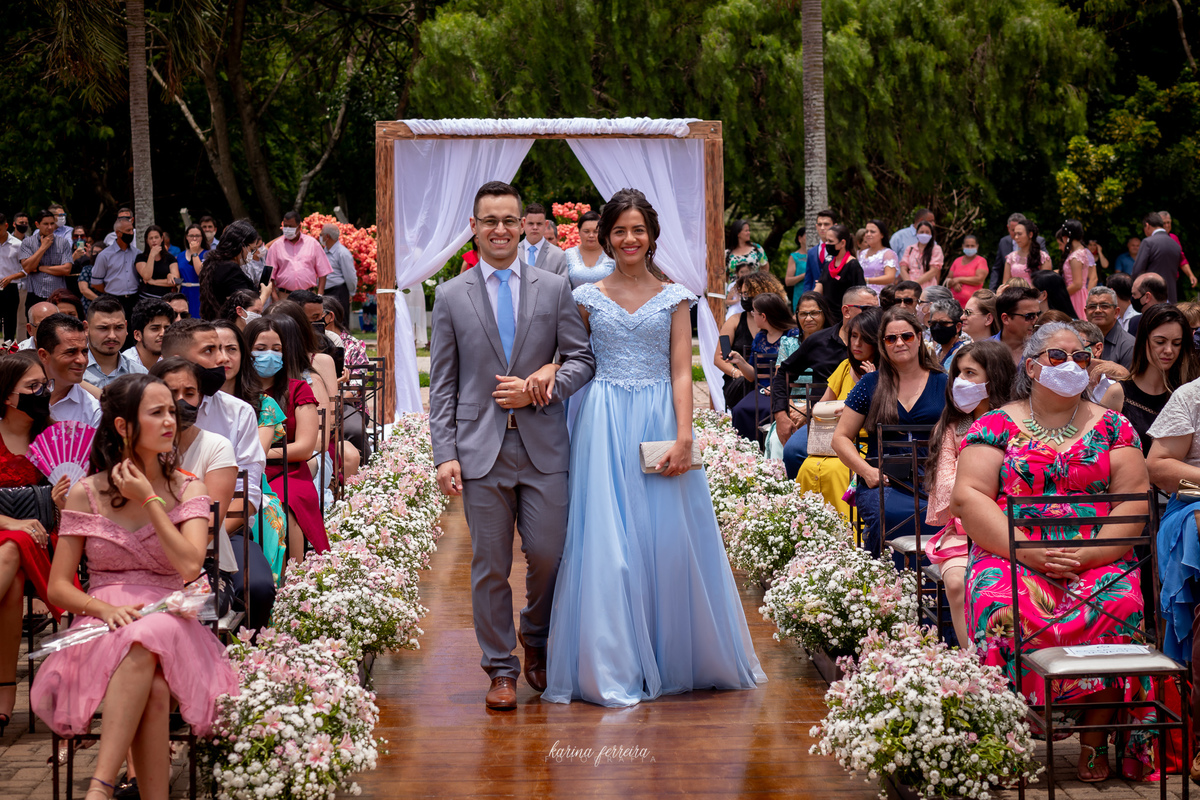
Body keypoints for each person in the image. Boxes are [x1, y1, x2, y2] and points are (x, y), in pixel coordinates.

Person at [542, 188, 764, 707]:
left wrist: (687, 435)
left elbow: (682, 369)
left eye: (637, 230)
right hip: (602, 419)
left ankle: (672, 656)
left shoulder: (675, 296)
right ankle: (611, 663)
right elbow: (574, 359)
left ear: (652, 236)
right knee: (606, 544)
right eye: (619, 230)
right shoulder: (585, 297)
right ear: (605, 237)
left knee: (666, 537)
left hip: (661, 416)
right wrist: (550, 369)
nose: (628, 239)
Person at [951, 321, 1151, 782]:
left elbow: (1132, 501)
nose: (1071, 366)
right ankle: (1010, 739)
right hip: (1012, 551)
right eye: (1058, 357)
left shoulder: (1114, 427)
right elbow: (970, 497)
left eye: (1080, 358)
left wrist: (1089, 555)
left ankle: (1095, 744)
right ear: (1032, 366)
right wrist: (1030, 553)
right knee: (1000, 605)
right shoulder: (995, 425)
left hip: (1097, 554)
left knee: (1119, 602)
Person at [428, 180, 595, 709]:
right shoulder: (452, 296)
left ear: (524, 225)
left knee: (548, 554)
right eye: (489, 221)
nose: (499, 229)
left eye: (508, 220)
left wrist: (543, 387)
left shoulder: (553, 287)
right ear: (474, 229)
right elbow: (443, 384)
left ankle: (537, 637)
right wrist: (444, 452)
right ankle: (500, 668)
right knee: (490, 564)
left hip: (545, 444)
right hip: (481, 451)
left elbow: (582, 360)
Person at [31, 374, 238, 800]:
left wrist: (150, 499)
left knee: (145, 637)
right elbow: (57, 588)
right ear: (124, 426)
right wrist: (102, 610)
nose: (170, 421)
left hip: (170, 612)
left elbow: (188, 566)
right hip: (101, 624)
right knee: (155, 687)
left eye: (172, 412)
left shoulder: (187, 487)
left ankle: (100, 787)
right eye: (157, 412)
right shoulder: (85, 493)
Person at [160, 319, 273, 629]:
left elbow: (249, 495)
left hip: (226, 533)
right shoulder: (138, 409)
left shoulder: (238, 412)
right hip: (150, 537)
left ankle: (245, 662)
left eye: (225, 349)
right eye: (210, 350)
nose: (222, 359)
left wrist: (205, 540)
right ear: (177, 358)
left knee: (259, 588)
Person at [833, 307, 947, 559]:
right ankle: (885, 586)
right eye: (890, 338)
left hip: (935, 479)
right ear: (883, 345)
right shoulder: (870, 384)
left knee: (943, 514)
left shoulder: (944, 383)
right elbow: (840, 438)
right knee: (888, 513)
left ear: (919, 337)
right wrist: (867, 472)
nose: (899, 343)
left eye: (906, 336)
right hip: (883, 481)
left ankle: (932, 587)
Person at [922, 340, 1014, 647]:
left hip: (1014, 526)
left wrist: (971, 473)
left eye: (971, 373)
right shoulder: (951, 428)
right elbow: (948, 489)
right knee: (958, 583)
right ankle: (972, 663)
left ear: (995, 376)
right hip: (964, 533)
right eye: (958, 373)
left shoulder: (1017, 424)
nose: (961, 381)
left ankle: (1007, 659)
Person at [0, 351, 70, 735]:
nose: (42, 392)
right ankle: (5, 696)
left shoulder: (53, 438)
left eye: (44, 385)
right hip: (7, 532)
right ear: (7, 396)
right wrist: (12, 521)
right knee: (10, 567)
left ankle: (4, 696)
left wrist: (60, 504)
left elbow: (73, 515)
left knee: (13, 548)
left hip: (45, 538)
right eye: (31, 387)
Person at [246, 314, 331, 566]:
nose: (269, 355)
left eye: (276, 349)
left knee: (288, 504)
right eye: (260, 349)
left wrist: (260, 454)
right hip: (244, 470)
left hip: (288, 469)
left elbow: (305, 447)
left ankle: (292, 577)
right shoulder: (237, 393)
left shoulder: (297, 389)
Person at [771, 285, 879, 477]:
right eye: (868, 309)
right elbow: (783, 374)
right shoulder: (818, 342)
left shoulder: (883, 342)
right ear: (846, 310)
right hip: (826, 420)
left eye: (878, 309)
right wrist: (781, 415)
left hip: (869, 422)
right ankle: (805, 503)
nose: (876, 315)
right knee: (793, 450)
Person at [210, 320, 289, 583]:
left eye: (231, 349)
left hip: (249, 487)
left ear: (243, 355)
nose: (223, 357)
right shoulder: (190, 401)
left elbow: (258, 455)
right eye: (214, 349)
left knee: (267, 515)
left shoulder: (260, 404)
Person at [150, 357, 238, 571]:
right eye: (171, 394)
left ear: (199, 397)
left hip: (206, 562)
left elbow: (208, 525)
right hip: (142, 562)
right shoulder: (141, 447)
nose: (180, 401)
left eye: (189, 394)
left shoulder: (217, 446)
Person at [795, 308, 881, 519]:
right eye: (853, 336)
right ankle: (812, 532)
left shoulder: (885, 374)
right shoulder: (844, 367)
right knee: (807, 468)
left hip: (865, 446)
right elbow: (820, 407)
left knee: (835, 472)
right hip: (833, 441)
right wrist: (843, 409)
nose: (857, 344)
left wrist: (870, 386)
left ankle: (846, 536)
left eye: (864, 338)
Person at [1120, 303, 1195, 454]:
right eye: (1160, 342)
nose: (1168, 350)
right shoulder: (1118, 394)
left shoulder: (1188, 393)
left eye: (1176, 344)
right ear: (1143, 340)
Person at [726, 293, 800, 441]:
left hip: (786, 391)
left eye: (754, 312)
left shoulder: (793, 335)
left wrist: (776, 387)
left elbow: (798, 370)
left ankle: (767, 450)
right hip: (762, 389)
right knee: (739, 409)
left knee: (768, 409)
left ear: (764, 316)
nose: (752, 315)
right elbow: (752, 375)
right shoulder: (760, 337)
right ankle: (746, 452)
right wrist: (739, 361)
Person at [714, 272, 786, 410]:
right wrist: (737, 373)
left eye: (749, 293)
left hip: (774, 379)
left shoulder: (782, 323)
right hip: (742, 379)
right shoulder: (734, 321)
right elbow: (718, 358)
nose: (745, 298)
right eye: (743, 294)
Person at [199, 220, 272, 320]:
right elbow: (245, 312)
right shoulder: (230, 270)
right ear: (242, 246)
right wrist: (265, 294)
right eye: (251, 250)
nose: (251, 254)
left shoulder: (213, 262)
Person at [37, 314, 101, 426]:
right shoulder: (16, 397)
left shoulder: (93, 411)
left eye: (84, 352)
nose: (82, 360)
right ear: (44, 355)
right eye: (71, 352)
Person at [264, 211, 331, 302]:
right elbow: (268, 276)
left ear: (299, 227)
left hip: (309, 296)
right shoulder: (276, 246)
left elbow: (323, 271)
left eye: (290, 226)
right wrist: (274, 296)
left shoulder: (312, 243)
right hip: (284, 297)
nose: (287, 229)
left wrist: (320, 295)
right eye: (285, 226)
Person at [84, 296, 148, 388]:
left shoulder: (140, 375)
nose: (112, 336)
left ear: (126, 327)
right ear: (86, 329)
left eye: (118, 328)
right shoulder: (71, 372)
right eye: (103, 328)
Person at [18, 210, 73, 308]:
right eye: (46, 224)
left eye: (52, 223)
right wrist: (43, 248)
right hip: (35, 293)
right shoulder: (27, 242)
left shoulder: (63, 242)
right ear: (37, 224)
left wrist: (40, 268)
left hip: (58, 295)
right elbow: (27, 268)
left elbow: (66, 269)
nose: (50, 227)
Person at [89, 216, 140, 320]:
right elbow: (95, 283)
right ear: (118, 233)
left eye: (132, 230)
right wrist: (112, 290)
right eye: (128, 230)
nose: (131, 233)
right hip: (114, 299)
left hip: (134, 300)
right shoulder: (104, 255)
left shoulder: (137, 253)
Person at [1132, 212, 1185, 303]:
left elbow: (1137, 271)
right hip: (1171, 296)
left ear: (1147, 225)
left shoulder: (1148, 242)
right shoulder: (1175, 245)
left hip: (1152, 295)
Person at [815, 224, 866, 310]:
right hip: (828, 315)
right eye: (826, 241)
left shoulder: (853, 265)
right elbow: (819, 287)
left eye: (830, 241)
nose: (827, 244)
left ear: (842, 243)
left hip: (845, 316)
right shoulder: (828, 265)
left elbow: (860, 294)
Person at [1085, 286, 1135, 368]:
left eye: (1104, 306)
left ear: (1116, 312)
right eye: (1092, 306)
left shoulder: (1128, 345)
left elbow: (1128, 379)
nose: (1097, 310)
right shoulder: (1078, 340)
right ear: (1085, 312)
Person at [564, 210, 615, 289]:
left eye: (595, 232)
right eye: (586, 231)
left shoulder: (611, 254)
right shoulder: (568, 254)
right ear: (579, 232)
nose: (591, 235)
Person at [318, 223, 357, 324]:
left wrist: (351, 292)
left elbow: (350, 276)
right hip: (326, 293)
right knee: (328, 324)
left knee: (340, 324)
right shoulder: (324, 252)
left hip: (339, 292)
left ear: (327, 236)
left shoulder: (342, 253)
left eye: (321, 234)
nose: (320, 236)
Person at [1054, 220, 1093, 318]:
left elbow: (1077, 284)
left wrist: (1059, 296)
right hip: (1078, 295)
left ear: (1065, 237)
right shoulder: (1082, 252)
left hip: (1075, 297)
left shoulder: (1076, 256)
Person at [994, 285, 1041, 365]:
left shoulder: (1042, 351)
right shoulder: (981, 351)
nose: (1036, 320)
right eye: (1029, 316)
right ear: (1005, 319)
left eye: (1038, 315)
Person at [518, 202, 568, 278]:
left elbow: (564, 287)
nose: (535, 227)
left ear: (546, 224)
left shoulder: (558, 255)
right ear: (523, 223)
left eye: (539, 224)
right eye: (531, 223)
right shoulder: (513, 252)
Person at [133, 225, 180, 304]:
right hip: (146, 300)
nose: (154, 240)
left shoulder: (170, 258)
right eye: (151, 238)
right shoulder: (140, 258)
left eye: (156, 237)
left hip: (166, 301)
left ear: (161, 239)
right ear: (146, 240)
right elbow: (147, 276)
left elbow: (176, 281)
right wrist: (152, 255)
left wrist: (154, 282)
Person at [126, 299, 175, 371]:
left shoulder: (170, 363)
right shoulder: (125, 367)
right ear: (137, 335)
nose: (163, 334)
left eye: (167, 328)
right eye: (155, 329)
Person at [1002, 219, 1052, 284]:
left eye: (1019, 234)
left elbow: (1046, 284)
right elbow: (1005, 283)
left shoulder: (1043, 258)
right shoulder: (1010, 258)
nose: (1016, 237)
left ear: (1030, 235)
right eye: (1015, 234)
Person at [944, 234, 988, 307]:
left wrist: (959, 279)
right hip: (953, 305)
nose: (970, 248)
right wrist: (954, 283)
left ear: (977, 246)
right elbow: (948, 280)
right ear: (963, 246)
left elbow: (979, 279)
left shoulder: (981, 261)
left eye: (972, 246)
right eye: (967, 246)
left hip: (973, 305)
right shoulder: (957, 261)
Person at [899, 219, 943, 288]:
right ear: (917, 233)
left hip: (928, 288)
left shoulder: (936, 249)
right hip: (910, 287)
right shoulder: (910, 248)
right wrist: (909, 284)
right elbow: (903, 268)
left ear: (931, 234)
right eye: (921, 232)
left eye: (927, 232)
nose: (924, 234)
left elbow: (934, 270)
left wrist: (915, 284)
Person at [0, 214, 24, 342]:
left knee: (10, 324)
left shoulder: (17, 244)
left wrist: (11, 277)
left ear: (6, 226)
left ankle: (8, 355)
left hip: (11, 288)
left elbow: (26, 269)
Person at [858, 219, 898, 293]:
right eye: (866, 231)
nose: (868, 234)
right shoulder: (863, 253)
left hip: (880, 294)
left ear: (882, 235)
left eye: (872, 232)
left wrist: (866, 280)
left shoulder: (888, 253)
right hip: (862, 293)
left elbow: (890, 277)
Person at [176, 224, 206, 319]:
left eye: (197, 236)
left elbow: (200, 273)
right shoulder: (180, 255)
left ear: (202, 237)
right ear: (186, 237)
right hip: (184, 292)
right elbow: (178, 276)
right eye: (191, 236)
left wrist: (194, 253)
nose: (194, 238)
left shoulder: (207, 254)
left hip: (199, 293)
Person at [928, 298, 967, 370]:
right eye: (933, 323)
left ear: (958, 327)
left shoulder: (962, 354)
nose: (937, 328)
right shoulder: (938, 351)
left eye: (943, 323)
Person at [1160, 211, 1196, 288]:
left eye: (1168, 223)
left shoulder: (1174, 238)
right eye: (1164, 223)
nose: (1167, 225)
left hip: (1172, 280)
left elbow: (1181, 259)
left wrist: (1190, 275)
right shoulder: (1151, 240)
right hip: (1157, 281)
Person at [803, 209, 836, 294]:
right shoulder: (811, 252)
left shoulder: (839, 249)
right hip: (815, 297)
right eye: (819, 224)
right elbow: (808, 280)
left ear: (834, 226)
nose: (822, 228)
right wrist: (806, 298)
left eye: (826, 224)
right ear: (816, 226)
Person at [785, 227, 806, 308]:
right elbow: (788, 281)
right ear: (800, 238)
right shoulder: (794, 257)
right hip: (800, 295)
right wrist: (805, 275)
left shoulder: (818, 254)